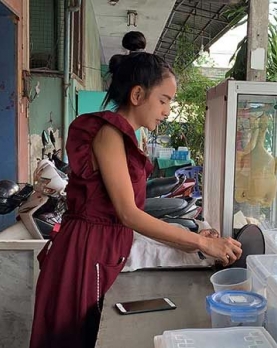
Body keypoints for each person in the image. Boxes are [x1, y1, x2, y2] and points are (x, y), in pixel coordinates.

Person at [29, 51, 242, 348]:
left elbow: (129, 219)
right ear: (138, 94)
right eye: (164, 100)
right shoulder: (110, 135)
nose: (167, 110)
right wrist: (202, 244)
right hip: (84, 253)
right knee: (74, 337)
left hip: (100, 248)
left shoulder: (128, 135)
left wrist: (189, 239)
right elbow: (128, 213)